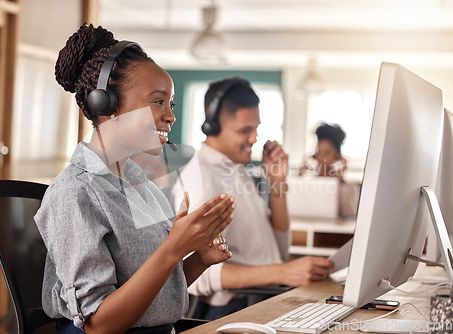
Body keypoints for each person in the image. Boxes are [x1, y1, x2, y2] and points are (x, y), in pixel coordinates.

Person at [34, 24, 236, 334]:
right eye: (158, 102)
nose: (170, 116)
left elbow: (150, 294)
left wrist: (198, 258)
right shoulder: (75, 192)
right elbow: (99, 323)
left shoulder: (139, 185)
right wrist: (173, 247)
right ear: (107, 104)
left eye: (171, 104)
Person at [170, 77, 334, 321]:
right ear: (212, 127)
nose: (254, 138)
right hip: (233, 310)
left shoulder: (235, 169)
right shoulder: (200, 180)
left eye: (256, 128)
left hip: (264, 296)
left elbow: (278, 248)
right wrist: (283, 273)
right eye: (245, 130)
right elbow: (196, 277)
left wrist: (277, 182)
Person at [301, 123, 360, 217]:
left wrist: (340, 178)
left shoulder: (347, 188)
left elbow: (349, 215)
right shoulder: (308, 183)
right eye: (318, 152)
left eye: (327, 152)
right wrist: (299, 177)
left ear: (338, 156)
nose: (321, 157)